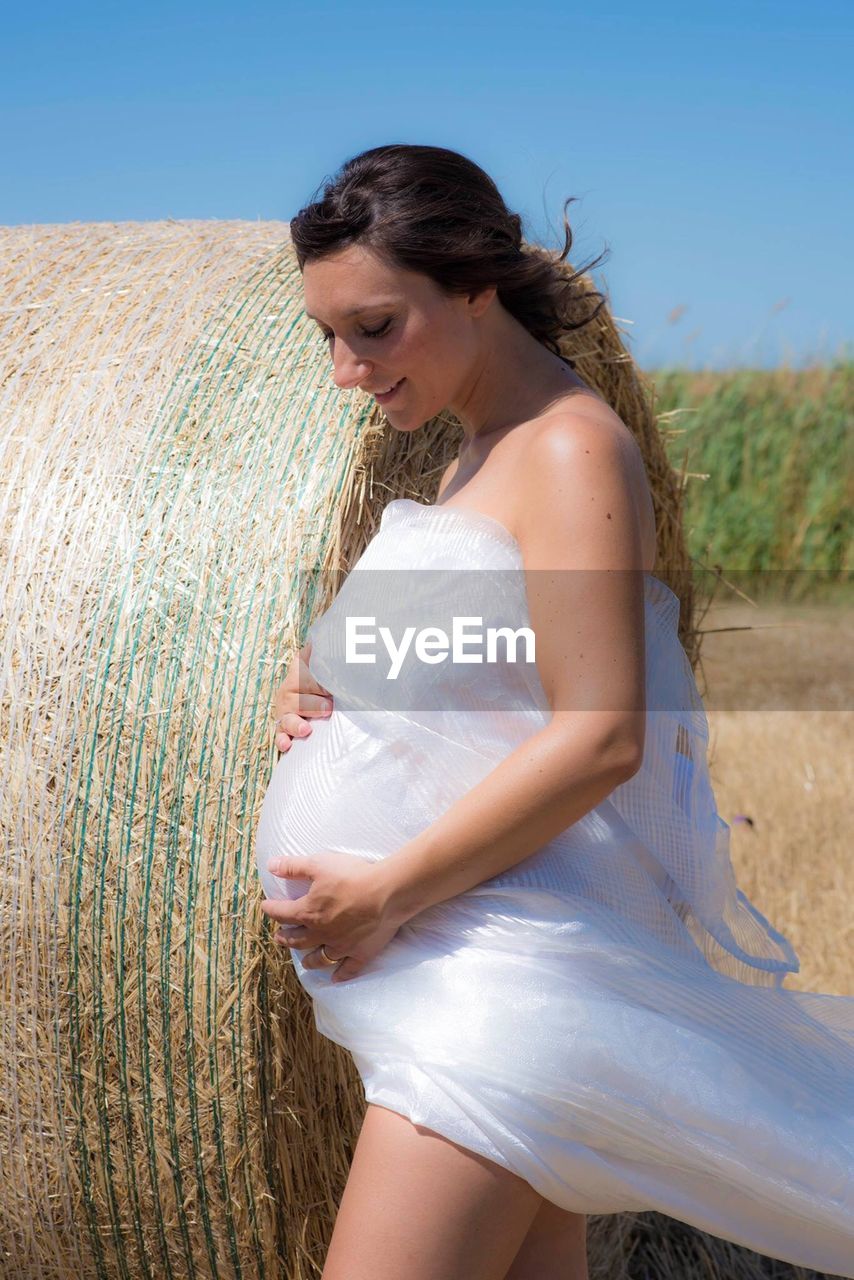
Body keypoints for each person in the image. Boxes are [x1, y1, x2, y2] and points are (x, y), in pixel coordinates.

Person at [256, 144, 854, 1280]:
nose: (345, 367)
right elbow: (497, 679)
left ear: (473, 279)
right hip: (468, 980)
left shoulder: (571, 449)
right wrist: (336, 673)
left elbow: (597, 734)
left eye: (374, 326)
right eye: (326, 335)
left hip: (493, 1006)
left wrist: (382, 889)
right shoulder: (471, 461)